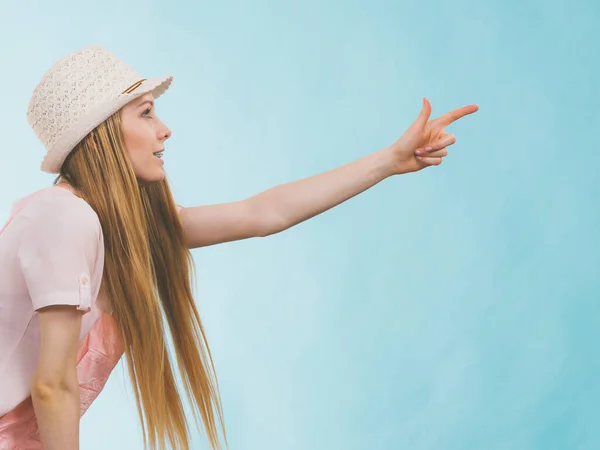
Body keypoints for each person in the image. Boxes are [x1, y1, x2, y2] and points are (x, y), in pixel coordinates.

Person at [0, 45, 478, 450]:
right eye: (146, 113)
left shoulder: (115, 232)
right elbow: (53, 383)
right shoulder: (63, 216)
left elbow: (262, 214)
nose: (165, 129)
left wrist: (389, 161)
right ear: (101, 134)